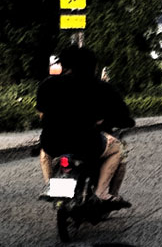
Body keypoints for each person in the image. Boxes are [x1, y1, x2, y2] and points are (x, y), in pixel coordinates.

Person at [37, 46, 133, 208]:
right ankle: (102, 193)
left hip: (52, 142)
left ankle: (51, 186)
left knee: (44, 151)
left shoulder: (47, 84)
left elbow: (41, 114)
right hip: (86, 143)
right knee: (118, 149)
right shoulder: (100, 87)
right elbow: (123, 116)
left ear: (64, 64)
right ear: (92, 66)